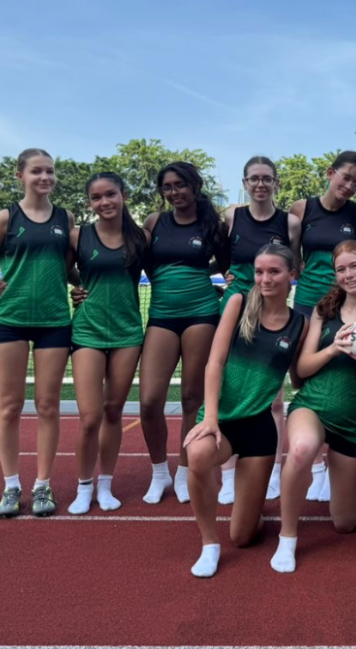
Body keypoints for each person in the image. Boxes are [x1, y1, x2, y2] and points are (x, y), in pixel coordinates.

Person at [271, 241, 356, 573]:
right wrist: (334, 348)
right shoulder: (324, 311)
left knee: (345, 523)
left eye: (355, 266)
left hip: (353, 419)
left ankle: (334, 470)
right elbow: (302, 370)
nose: (348, 274)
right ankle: (287, 537)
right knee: (301, 449)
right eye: (341, 269)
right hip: (312, 406)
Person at [183, 244, 307, 578]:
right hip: (220, 421)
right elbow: (215, 362)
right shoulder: (237, 303)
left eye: (274, 271)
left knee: (242, 537)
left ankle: (251, 512)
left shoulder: (300, 324)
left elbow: (299, 376)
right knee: (197, 453)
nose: (265, 279)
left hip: (258, 430)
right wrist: (211, 418)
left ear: (292, 275)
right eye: (259, 271)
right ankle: (209, 544)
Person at [0, 148, 75, 517]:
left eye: (50, 171)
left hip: (54, 321)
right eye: (36, 171)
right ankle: (11, 486)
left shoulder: (65, 218)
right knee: (10, 406)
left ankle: (43, 486)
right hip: (10, 319)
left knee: (48, 405)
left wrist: (80, 285)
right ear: (21, 176)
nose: (45, 177)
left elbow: (67, 268)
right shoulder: (6, 217)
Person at [139, 162, 230, 505]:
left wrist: (215, 283)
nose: (174, 192)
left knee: (192, 397)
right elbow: (145, 265)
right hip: (162, 315)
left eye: (180, 185)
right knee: (149, 401)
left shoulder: (212, 225)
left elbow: (228, 268)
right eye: (167, 187)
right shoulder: (154, 222)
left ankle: (184, 468)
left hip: (201, 314)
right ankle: (159, 471)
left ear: (194, 186)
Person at [288, 151, 356, 502]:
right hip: (309, 303)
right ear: (330, 172)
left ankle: (344, 458)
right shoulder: (301, 209)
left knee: (345, 374)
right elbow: (293, 256)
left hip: (346, 305)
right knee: (303, 378)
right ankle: (317, 466)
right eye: (346, 177)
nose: (349, 186)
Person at [218, 155, 301, 503]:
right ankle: (227, 474)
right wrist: (227, 277)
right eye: (254, 178)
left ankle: (273, 470)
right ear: (245, 183)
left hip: (271, 309)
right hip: (236, 305)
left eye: (267, 178)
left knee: (274, 398)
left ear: (276, 183)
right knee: (228, 386)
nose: (261, 184)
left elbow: (292, 263)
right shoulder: (231, 216)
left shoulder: (290, 222)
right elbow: (222, 256)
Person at [66, 173, 149, 514]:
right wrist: (79, 287)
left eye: (110, 194)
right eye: (96, 197)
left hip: (127, 332)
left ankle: (105, 484)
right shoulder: (78, 236)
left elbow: (167, 269)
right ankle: (83, 486)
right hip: (87, 330)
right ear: (90, 202)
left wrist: (221, 276)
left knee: (113, 411)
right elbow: (65, 270)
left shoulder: (141, 238)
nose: (104, 202)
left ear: (123, 195)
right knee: (90, 417)